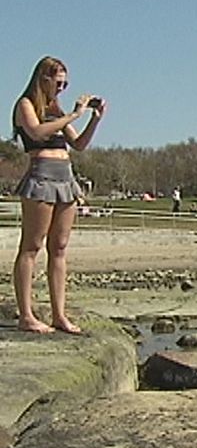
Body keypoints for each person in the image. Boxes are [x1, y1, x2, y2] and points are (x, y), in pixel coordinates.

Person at [11, 56, 106, 334]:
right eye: (59, 81)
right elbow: (37, 132)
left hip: (65, 177)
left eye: (66, 83)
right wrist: (73, 114)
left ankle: (59, 314)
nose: (62, 87)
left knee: (60, 247)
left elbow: (79, 144)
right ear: (44, 78)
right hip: (41, 175)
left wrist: (93, 120)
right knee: (32, 245)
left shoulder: (57, 109)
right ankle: (26, 314)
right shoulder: (26, 105)